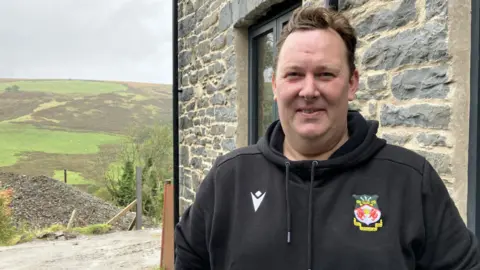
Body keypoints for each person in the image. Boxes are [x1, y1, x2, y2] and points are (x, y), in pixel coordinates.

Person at [174, 5, 480, 270]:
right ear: (275, 86)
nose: (308, 91)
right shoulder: (228, 179)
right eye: (294, 74)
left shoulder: (411, 181)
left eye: (325, 74)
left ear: (352, 83)